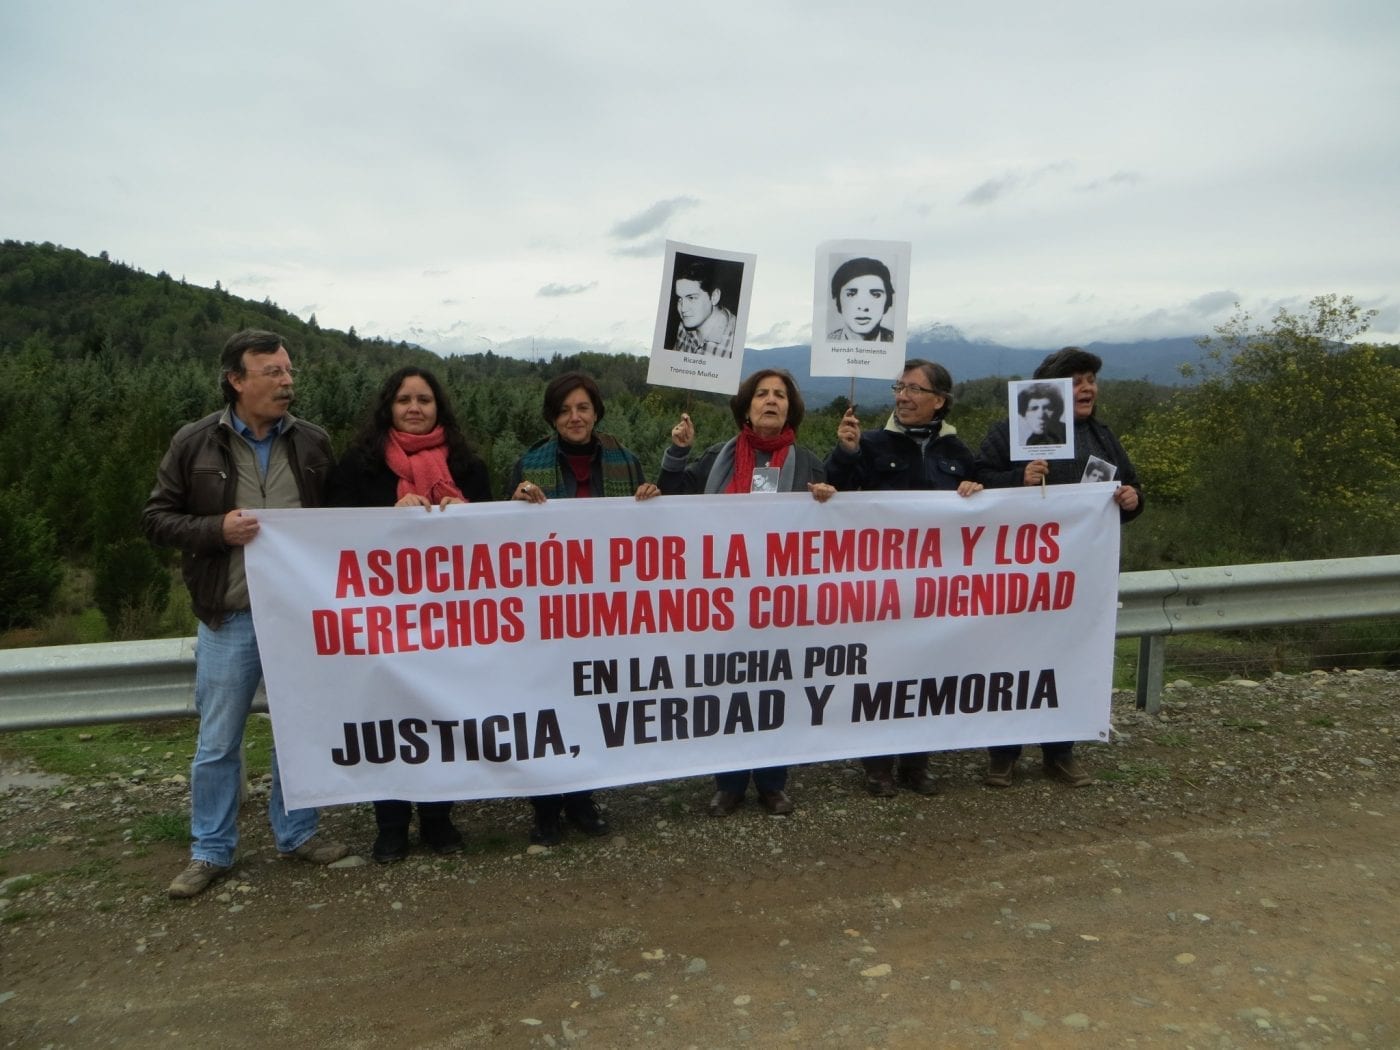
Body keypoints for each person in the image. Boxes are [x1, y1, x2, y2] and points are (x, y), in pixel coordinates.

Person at [142, 329, 350, 899]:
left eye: (289, 371)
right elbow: (157, 519)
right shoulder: (194, 443)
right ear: (236, 380)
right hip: (229, 616)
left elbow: (340, 525)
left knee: (298, 733)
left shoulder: (311, 443)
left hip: (301, 619)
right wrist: (216, 529)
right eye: (272, 373)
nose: (287, 382)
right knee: (217, 742)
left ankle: (299, 833)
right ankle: (210, 851)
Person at [326, 366, 493, 862]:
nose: (414, 407)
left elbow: (492, 536)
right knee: (389, 718)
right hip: (383, 620)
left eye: (424, 399)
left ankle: (440, 820)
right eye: (404, 399)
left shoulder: (468, 466)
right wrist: (389, 521)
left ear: (439, 407)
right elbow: (331, 529)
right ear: (389, 407)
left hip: (450, 618)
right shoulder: (360, 465)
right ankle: (391, 824)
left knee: (440, 717)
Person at [658, 369, 838, 818]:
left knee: (777, 689)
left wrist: (829, 499)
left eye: (780, 394)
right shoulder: (716, 458)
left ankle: (773, 783)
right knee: (727, 691)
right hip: (724, 601)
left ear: (790, 407)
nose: (771, 401)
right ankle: (729, 782)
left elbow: (838, 526)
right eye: (762, 394)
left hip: (782, 602)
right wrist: (677, 453)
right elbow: (673, 498)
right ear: (747, 405)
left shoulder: (810, 463)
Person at [976, 346, 1144, 789]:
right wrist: (1018, 480)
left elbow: (1130, 488)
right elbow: (976, 484)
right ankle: (1003, 755)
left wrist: (1132, 500)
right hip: (1017, 577)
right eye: (1076, 380)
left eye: (1091, 379)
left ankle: (1061, 752)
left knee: (1069, 662)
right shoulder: (1011, 432)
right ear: (1048, 390)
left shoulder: (1104, 437)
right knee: (1012, 664)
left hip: (1077, 581)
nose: (1087, 388)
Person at [508, 372, 661, 845]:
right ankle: (545, 808)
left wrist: (652, 500)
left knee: (591, 704)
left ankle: (581, 798)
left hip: (605, 612)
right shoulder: (527, 465)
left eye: (583, 408)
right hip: (547, 613)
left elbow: (648, 535)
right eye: (564, 410)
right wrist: (511, 504)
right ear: (552, 417)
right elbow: (502, 541)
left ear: (596, 412)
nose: (575, 417)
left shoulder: (627, 462)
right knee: (546, 706)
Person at [825, 359, 983, 797]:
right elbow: (833, 489)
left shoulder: (959, 454)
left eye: (914, 389)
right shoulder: (872, 443)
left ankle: (918, 762)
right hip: (883, 587)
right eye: (900, 386)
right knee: (881, 675)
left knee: (928, 675)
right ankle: (877, 766)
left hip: (937, 592)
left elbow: (987, 516)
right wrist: (847, 452)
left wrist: (977, 492)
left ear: (940, 401)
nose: (903, 396)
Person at [669, 258, 737, 358]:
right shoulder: (685, 324)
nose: (683, 309)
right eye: (679, 299)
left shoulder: (734, 343)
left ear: (714, 297)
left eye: (691, 298)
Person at [827, 257, 895, 342]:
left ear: (888, 301)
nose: (863, 306)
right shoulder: (827, 341)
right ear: (837, 300)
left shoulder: (896, 341)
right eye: (851, 294)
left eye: (876, 295)